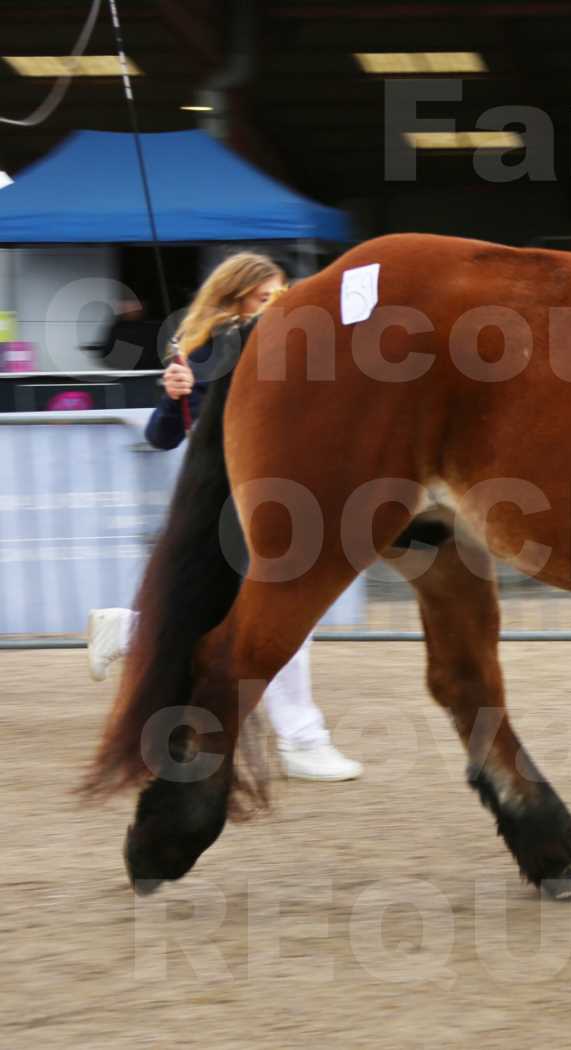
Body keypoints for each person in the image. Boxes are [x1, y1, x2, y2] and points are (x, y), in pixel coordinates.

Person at [85, 252, 363, 782]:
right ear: (237, 296)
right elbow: (162, 437)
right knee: (284, 616)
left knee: (238, 614)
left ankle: (125, 630)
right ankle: (302, 739)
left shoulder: (289, 344)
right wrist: (174, 396)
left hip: (272, 496)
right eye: (266, 297)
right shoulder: (210, 349)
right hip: (229, 498)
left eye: (282, 295)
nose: (278, 304)